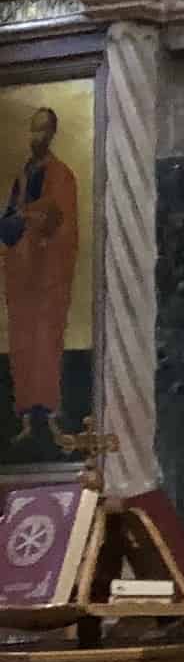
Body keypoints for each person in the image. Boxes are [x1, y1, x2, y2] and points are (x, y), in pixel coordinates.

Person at [0, 107, 78, 441]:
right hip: (21, 275)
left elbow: (61, 221)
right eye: (33, 130)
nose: (37, 137)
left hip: (48, 276)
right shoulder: (22, 175)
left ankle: (50, 414)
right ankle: (26, 418)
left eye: (43, 130)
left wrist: (28, 217)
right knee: (22, 342)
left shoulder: (61, 174)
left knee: (46, 341)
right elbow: (9, 219)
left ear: (53, 133)